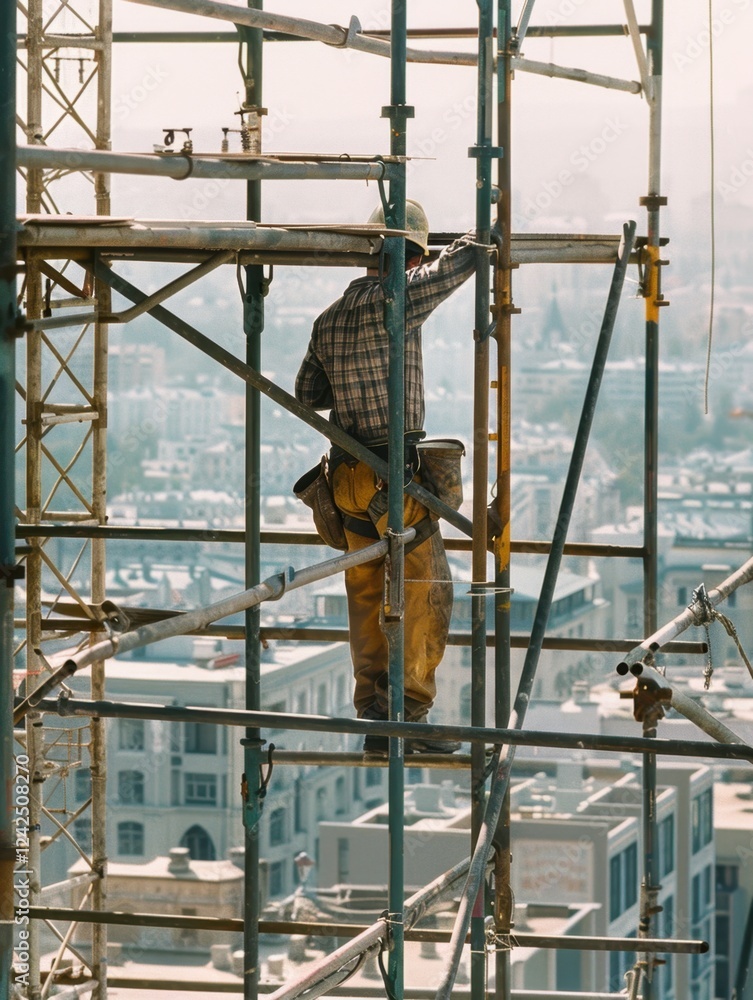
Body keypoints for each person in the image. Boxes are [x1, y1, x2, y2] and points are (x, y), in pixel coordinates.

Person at [295, 200, 484, 756]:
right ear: (408, 255)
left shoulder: (328, 318)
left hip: (346, 478)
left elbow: (310, 396)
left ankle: (375, 717)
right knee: (424, 592)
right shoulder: (393, 300)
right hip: (391, 476)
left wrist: (352, 371)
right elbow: (457, 266)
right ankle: (410, 714)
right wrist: (483, 229)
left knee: (367, 596)